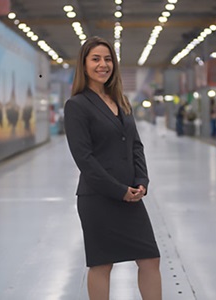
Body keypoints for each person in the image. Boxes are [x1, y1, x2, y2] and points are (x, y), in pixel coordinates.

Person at [64, 36, 162, 300]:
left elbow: (135, 146)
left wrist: (142, 180)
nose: (103, 65)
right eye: (95, 59)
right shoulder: (77, 106)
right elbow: (84, 159)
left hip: (131, 197)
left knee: (150, 258)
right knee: (101, 264)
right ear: (84, 65)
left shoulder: (120, 101)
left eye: (108, 59)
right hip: (98, 197)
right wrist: (118, 190)